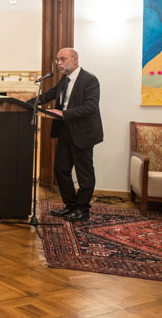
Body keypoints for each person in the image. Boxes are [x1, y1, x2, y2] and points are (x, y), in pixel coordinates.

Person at [28, 48, 103, 222]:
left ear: (75, 60)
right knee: (61, 169)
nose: (59, 63)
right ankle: (70, 206)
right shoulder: (65, 80)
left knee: (84, 174)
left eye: (63, 59)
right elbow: (49, 95)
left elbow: (91, 107)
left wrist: (64, 114)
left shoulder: (90, 80)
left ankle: (82, 209)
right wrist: (26, 104)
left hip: (83, 133)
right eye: (57, 60)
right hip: (65, 131)